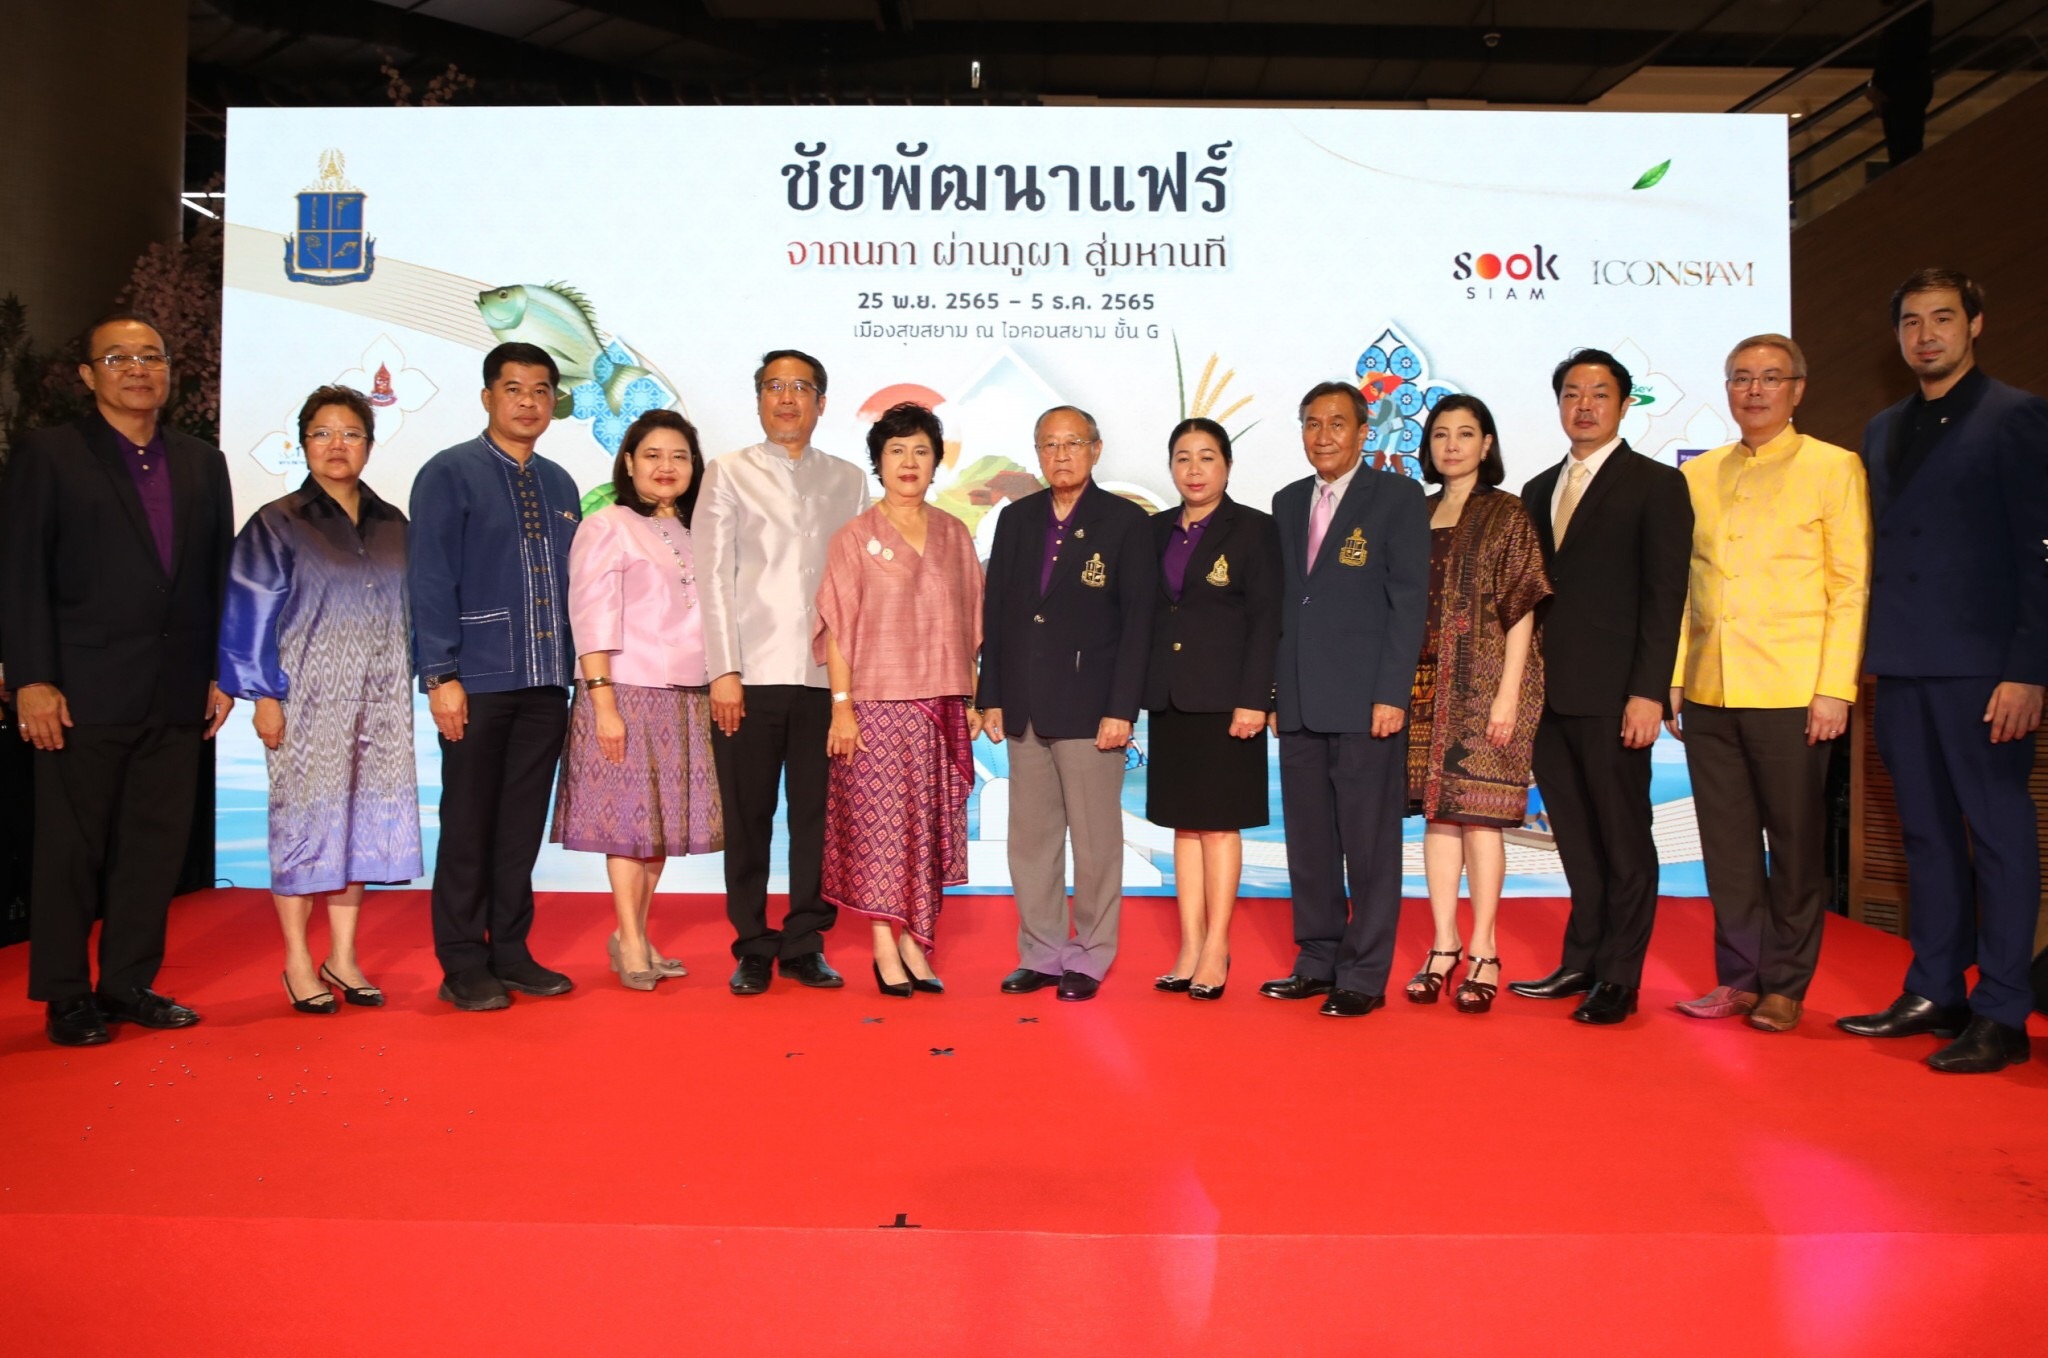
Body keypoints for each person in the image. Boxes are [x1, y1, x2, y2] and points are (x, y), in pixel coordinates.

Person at [1, 311, 233, 1046]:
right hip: (80, 690)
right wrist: (31, 678)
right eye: (118, 357)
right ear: (87, 374)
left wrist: (220, 671)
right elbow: (20, 573)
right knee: (70, 851)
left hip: (176, 688)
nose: (138, 369)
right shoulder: (50, 454)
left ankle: (128, 983)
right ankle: (66, 993)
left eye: (151, 356)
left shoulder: (202, 461)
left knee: (153, 848)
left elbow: (216, 577)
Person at [1838, 269, 2048, 1074]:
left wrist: (2028, 670)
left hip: (1985, 672)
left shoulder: (2017, 416)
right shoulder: (1882, 427)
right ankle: (1934, 988)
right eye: (1912, 322)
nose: (1926, 335)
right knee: (1924, 834)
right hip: (1901, 663)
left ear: (1975, 325)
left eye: (1943, 319)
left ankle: (2003, 1010)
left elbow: (2039, 553)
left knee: (1998, 836)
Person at [1667, 335, 1870, 1034]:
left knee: (1794, 844)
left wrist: (1835, 687)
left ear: (1798, 389)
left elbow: (1850, 586)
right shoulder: (1698, 475)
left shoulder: (1833, 467)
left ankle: (1785, 983)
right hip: (1710, 688)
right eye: (1741, 378)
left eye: (1770, 378)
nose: (1754, 390)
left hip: (1794, 691)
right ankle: (1739, 978)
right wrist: (1674, 677)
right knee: (1726, 850)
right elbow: (1682, 588)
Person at [219, 385, 421, 1014]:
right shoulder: (278, 522)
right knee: (304, 827)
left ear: (370, 444)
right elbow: (248, 613)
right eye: (323, 433)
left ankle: (344, 956)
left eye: (351, 433)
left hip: (382, 703)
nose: (337, 445)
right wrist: (263, 696)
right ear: (303, 442)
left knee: (360, 827)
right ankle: (298, 962)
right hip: (306, 702)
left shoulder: (395, 525)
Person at [1507, 349, 1691, 1025]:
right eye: (1572, 394)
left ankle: (1620, 976)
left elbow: (1666, 596)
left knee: (1623, 838)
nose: (1584, 405)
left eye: (1599, 393)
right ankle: (1581, 960)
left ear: (1623, 403)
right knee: (1577, 838)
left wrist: (1649, 691)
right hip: (1548, 697)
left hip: (1617, 697)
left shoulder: (1656, 485)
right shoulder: (1536, 490)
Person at [408, 342, 581, 1011]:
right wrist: (440, 675)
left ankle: (510, 950)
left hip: (546, 682)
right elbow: (429, 578)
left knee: (519, 826)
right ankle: (461, 959)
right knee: (468, 822)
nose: (528, 402)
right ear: (488, 397)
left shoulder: (560, 484)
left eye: (541, 391)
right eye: (514, 389)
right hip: (475, 680)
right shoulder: (448, 472)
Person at [698, 350, 869, 995]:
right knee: (748, 817)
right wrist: (724, 670)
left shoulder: (849, 480)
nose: (787, 398)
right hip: (751, 675)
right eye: (775, 386)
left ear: (821, 403)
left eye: (801, 387)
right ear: (759, 399)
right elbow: (714, 578)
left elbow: (856, 588)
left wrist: (852, 687)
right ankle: (751, 944)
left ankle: (804, 942)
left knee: (817, 819)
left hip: (824, 678)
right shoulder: (728, 472)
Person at [1259, 382, 1430, 1018]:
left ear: (1364, 432)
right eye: (1312, 423)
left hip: (1366, 703)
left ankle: (1363, 972)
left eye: (1336, 423)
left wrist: (1392, 693)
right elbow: (1284, 605)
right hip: (1300, 701)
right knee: (1309, 842)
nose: (1323, 435)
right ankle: (1316, 959)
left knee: (1370, 844)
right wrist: (1275, 693)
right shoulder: (1286, 501)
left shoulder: (1397, 498)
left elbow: (1408, 603)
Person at [978, 405, 1152, 1002]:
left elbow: (1139, 623)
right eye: (1049, 445)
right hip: (1024, 704)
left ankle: (1091, 955)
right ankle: (1042, 952)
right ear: (1037, 453)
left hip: (1091, 709)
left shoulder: (1125, 522)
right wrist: (991, 695)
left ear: (1096, 450)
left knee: (1096, 843)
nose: (1061, 455)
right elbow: (998, 612)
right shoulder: (1017, 519)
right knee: (1031, 841)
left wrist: (1122, 709)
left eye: (1072, 443)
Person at [550, 410, 722, 991]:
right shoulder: (608, 525)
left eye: (679, 456)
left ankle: (638, 935)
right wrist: (602, 703)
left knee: (659, 827)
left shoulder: (699, 532)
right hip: (624, 689)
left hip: (687, 695)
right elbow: (590, 616)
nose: (665, 466)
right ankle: (627, 939)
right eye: (652, 455)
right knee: (630, 826)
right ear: (628, 463)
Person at [816, 402, 984, 997]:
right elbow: (839, 630)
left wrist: (973, 698)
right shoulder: (854, 536)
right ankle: (885, 946)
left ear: (936, 462)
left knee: (924, 828)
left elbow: (972, 625)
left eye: (920, 450)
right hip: (875, 706)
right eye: (896, 450)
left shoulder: (954, 534)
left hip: (939, 705)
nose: (908, 462)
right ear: (879, 462)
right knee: (881, 832)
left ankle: (915, 937)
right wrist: (840, 707)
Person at [1402, 395, 1550, 1016]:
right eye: (1441, 434)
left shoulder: (1507, 513)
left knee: (1481, 820)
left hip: (1489, 685)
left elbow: (1523, 606)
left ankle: (1484, 950)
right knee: (1439, 818)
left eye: (1466, 434)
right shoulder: (1415, 512)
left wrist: (1508, 694)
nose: (1453, 445)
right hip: (1422, 686)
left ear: (1486, 444)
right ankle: (1443, 946)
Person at [1143, 417, 1280, 1002]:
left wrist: (1256, 699)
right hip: (1170, 699)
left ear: (1227, 465)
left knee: (1219, 827)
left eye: (1206, 457)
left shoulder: (1254, 530)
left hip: (1229, 704)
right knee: (1184, 825)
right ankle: (1190, 944)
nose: (1194, 470)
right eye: (1183, 458)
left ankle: (1218, 945)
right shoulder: (1153, 531)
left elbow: (1267, 621)